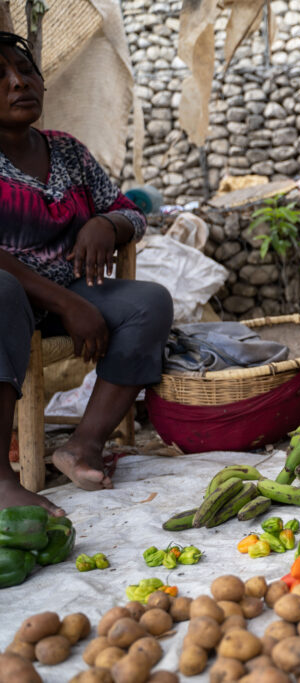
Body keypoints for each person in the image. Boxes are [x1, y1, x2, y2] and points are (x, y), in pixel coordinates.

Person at [0, 32, 173, 514]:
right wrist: (67, 303)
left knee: (150, 301)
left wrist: (106, 222)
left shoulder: (68, 152)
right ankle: (0, 479)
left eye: (25, 70)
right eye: (1, 77)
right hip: (11, 305)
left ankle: (84, 444)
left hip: (72, 291)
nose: (18, 82)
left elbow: (131, 213)